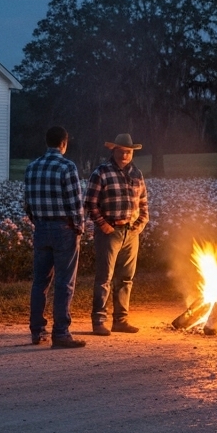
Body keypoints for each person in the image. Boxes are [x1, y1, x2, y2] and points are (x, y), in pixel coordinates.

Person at [22, 126, 87, 349]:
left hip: (41, 228)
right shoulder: (67, 167)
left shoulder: (32, 167)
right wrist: (78, 228)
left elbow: (27, 203)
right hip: (63, 229)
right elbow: (75, 203)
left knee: (40, 282)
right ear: (64, 143)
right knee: (64, 282)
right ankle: (61, 333)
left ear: (46, 142)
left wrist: (38, 221)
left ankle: (37, 332)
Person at [86, 133, 149, 336]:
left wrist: (139, 225)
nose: (125, 155)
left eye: (128, 152)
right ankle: (99, 321)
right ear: (113, 151)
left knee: (126, 278)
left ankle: (121, 320)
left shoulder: (137, 174)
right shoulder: (101, 173)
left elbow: (144, 204)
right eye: (121, 151)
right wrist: (103, 225)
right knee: (104, 277)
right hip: (109, 231)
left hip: (131, 232)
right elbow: (90, 203)